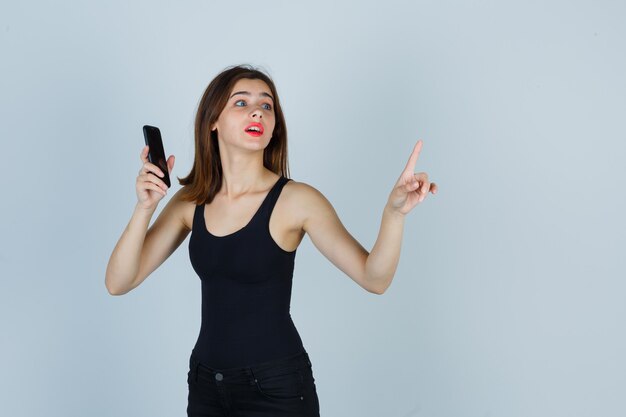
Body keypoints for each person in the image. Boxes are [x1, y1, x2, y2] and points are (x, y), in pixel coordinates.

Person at [105, 64, 438, 417]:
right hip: (205, 387)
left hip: (275, 389)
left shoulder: (297, 200)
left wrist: (394, 214)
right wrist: (145, 208)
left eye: (266, 106)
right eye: (241, 102)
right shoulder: (191, 200)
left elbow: (375, 278)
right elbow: (118, 282)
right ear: (212, 120)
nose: (256, 111)